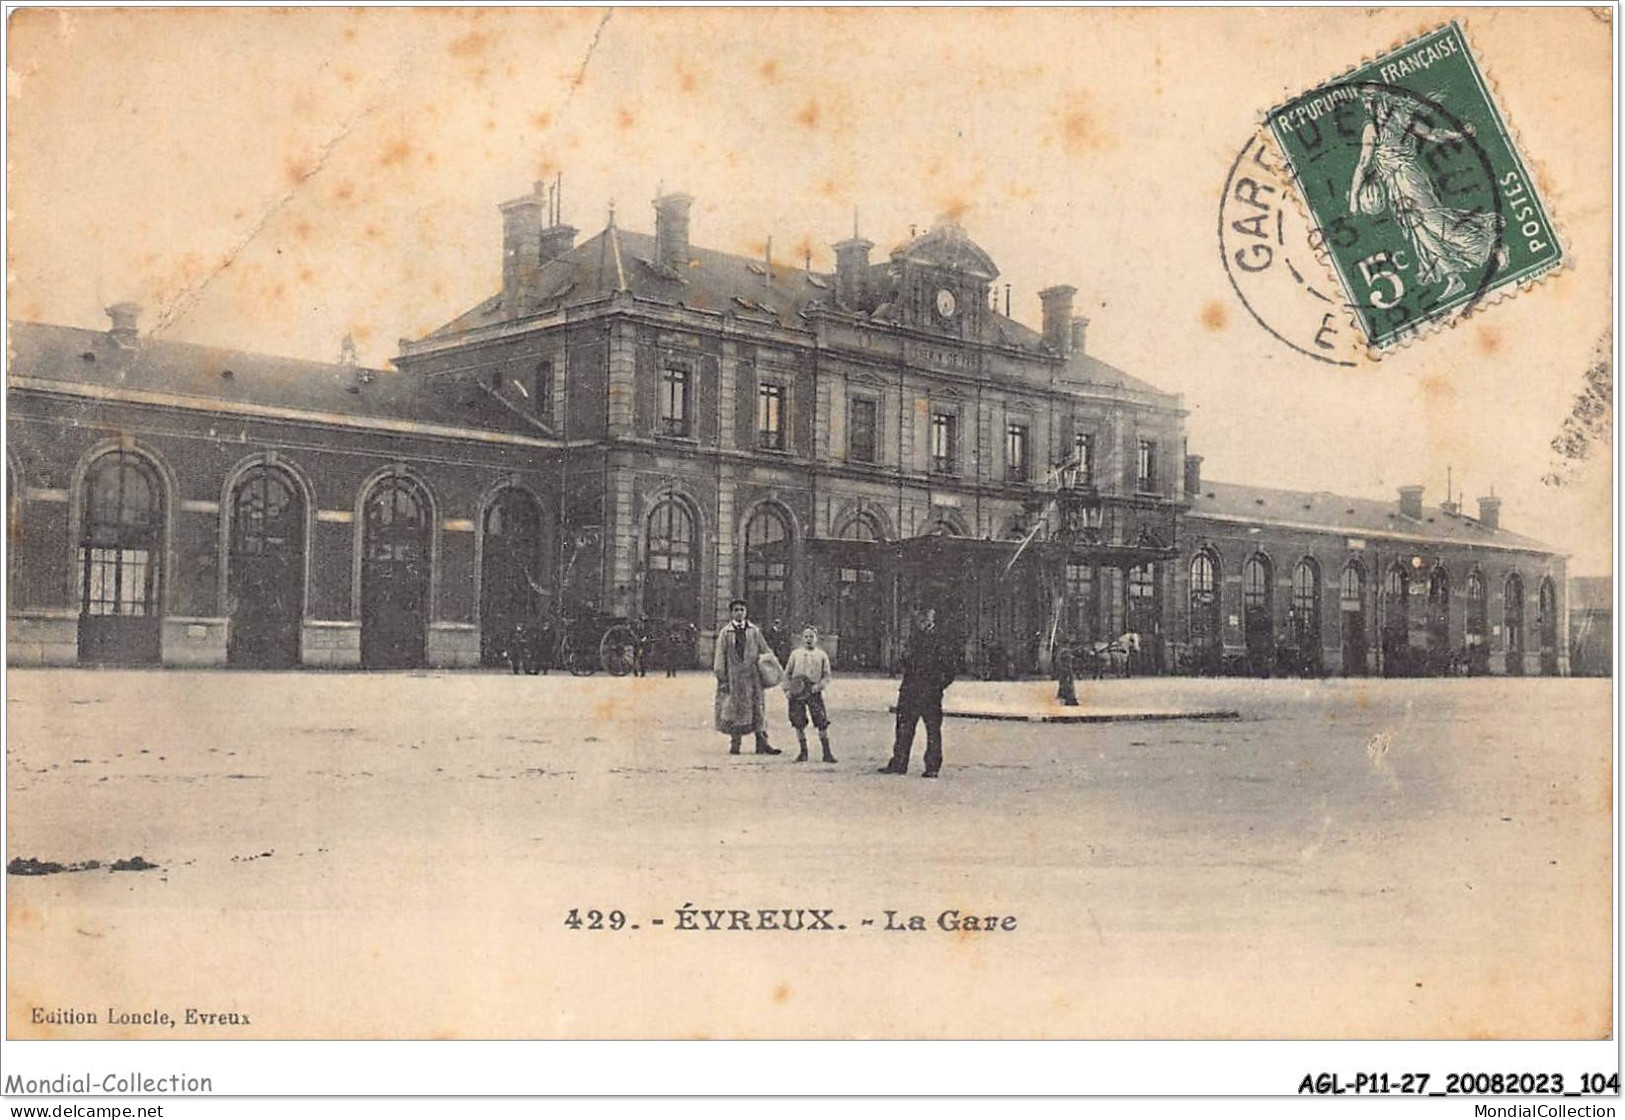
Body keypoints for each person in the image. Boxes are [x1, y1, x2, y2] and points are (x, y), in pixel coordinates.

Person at [878, 605, 959, 778]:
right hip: (909, 690)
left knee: (932, 731)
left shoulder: (942, 640)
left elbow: (951, 670)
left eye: (926, 619)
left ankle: (932, 767)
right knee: (903, 728)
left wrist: (938, 687)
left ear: (932, 619)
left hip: (930, 693)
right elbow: (905, 661)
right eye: (920, 620)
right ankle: (899, 763)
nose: (922, 622)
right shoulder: (914, 638)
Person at [714, 599, 782, 756]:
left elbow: (766, 651)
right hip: (734, 678)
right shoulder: (725, 633)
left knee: (757, 709)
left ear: (746, 612)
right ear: (731, 613)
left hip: (753, 678)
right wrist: (722, 677)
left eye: (742, 610)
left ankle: (762, 743)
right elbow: (719, 657)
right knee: (735, 710)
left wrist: (767, 667)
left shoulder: (754, 631)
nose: (739, 613)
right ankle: (735, 743)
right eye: (736, 610)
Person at [783, 625, 835, 764]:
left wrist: (819, 686)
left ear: (816, 639)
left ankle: (827, 753)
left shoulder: (821, 655)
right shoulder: (795, 654)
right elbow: (787, 674)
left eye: (811, 636)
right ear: (802, 638)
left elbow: (827, 675)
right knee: (798, 721)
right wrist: (787, 690)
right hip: (796, 692)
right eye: (806, 636)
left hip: (813, 691)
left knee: (821, 720)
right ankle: (803, 752)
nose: (808, 639)